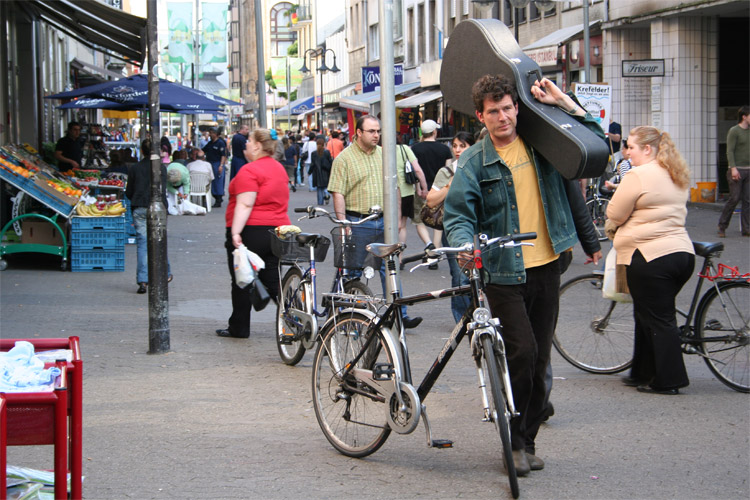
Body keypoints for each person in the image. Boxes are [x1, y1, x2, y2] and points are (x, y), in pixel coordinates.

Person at [444, 74, 604, 476]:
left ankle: (527, 440)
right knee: (523, 352)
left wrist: (564, 103)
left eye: (508, 108)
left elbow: (596, 149)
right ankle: (512, 442)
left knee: (540, 360)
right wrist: (465, 244)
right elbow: (459, 215)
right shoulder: (474, 161)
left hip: (547, 266)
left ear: (517, 107)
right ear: (481, 116)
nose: (503, 117)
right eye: (493, 111)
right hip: (502, 271)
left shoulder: (541, 145)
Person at [606, 126, 695, 395]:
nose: (627, 152)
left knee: (659, 318)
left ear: (647, 149)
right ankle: (642, 371)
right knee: (645, 313)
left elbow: (614, 211)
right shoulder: (675, 172)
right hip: (681, 254)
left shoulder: (638, 175)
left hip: (649, 256)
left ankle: (669, 380)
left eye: (631, 147)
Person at [327, 115, 422, 329]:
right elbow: (338, 193)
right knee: (353, 272)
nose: (376, 135)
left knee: (390, 269)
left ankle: (399, 314)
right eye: (371, 131)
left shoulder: (385, 155)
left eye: (378, 131)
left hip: (384, 221)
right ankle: (347, 318)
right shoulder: (345, 158)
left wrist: (397, 218)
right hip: (358, 222)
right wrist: (344, 224)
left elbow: (394, 187)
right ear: (359, 133)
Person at [216, 129, 290, 339]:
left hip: (252, 231)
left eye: (249, 141)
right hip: (278, 230)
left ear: (257, 145)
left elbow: (246, 203)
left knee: (242, 279)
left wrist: (235, 232)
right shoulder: (279, 169)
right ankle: (296, 316)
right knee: (273, 279)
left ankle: (239, 327)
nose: (246, 144)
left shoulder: (250, 171)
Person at [426, 131, 475, 322]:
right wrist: (450, 185)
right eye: (455, 146)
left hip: (478, 228)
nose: (457, 150)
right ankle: (462, 319)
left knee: (477, 276)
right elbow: (430, 201)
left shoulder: (479, 168)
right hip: (454, 228)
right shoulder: (446, 172)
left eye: (462, 146)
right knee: (460, 275)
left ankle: (476, 314)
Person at [125, 139, 172, 294]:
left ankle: (143, 280)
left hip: (139, 207)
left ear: (142, 151)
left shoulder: (135, 168)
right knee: (159, 241)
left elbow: (128, 192)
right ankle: (165, 274)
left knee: (143, 244)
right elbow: (163, 189)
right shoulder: (161, 169)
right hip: (158, 208)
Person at [411, 119, 454, 269]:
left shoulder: (414, 148)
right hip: (439, 191)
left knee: (419, 220)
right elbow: (447, 172)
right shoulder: (445, 150)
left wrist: (418, 187)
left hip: (421, 189)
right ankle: (434, 252)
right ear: (435, 132)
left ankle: (428, 244)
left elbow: (414, 171)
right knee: (438, 220)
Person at [718, 105, 750, 237]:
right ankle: (722, 225)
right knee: (734, 198)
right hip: (737, 170)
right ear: (744, 117)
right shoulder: (734, 131)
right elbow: (729, 150)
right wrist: (733, 168)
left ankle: (746, 229)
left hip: (749, 170)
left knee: (748, 200)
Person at [395, 134, 427, 245]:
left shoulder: (379, 151)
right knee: (402, 226)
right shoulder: (405, 149)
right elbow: (417, 170)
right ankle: (399, 259)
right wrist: (424, 188)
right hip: (407, 192)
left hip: (386, 193)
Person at [203, 128, 228, 208]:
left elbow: (223, 155)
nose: (210, 135)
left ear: (216, 134)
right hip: (210, 163)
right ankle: (216, 196)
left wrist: (221, 165)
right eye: (210, 133)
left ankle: (219, 198)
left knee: (218, 181)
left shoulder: (220, 143)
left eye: (211, 133)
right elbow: (203, 150)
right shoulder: (210, 143)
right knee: (213, 181)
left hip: (217, 163)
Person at [309, 137, 333, 206]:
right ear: (324, 144)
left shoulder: (314, 153)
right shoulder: (327, 152)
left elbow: (312, 164)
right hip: (326, 172)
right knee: (326, 186)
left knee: (319, 188)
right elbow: (330, 162)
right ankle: (326, 193)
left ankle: (320, 202)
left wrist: (310, 171)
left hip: (317, 173)